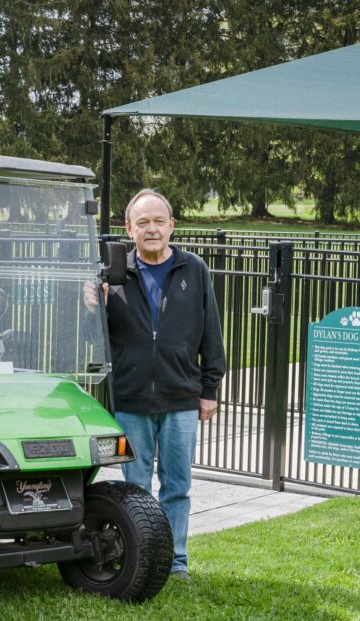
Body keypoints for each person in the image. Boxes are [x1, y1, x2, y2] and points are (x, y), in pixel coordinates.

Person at [85, 189, 225, 581]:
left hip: (181, 398)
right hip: (131, 400)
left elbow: (211, 331)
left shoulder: (193, 269)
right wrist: (91, 308)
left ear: (171, 226)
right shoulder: (113, 275)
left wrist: (209, 388)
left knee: (177, 486)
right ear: (129, 228)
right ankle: (143, 559)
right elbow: (91, 343)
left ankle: (176, 561)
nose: (151, 229)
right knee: (137, 488)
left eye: (158, 221)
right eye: (142, 222)